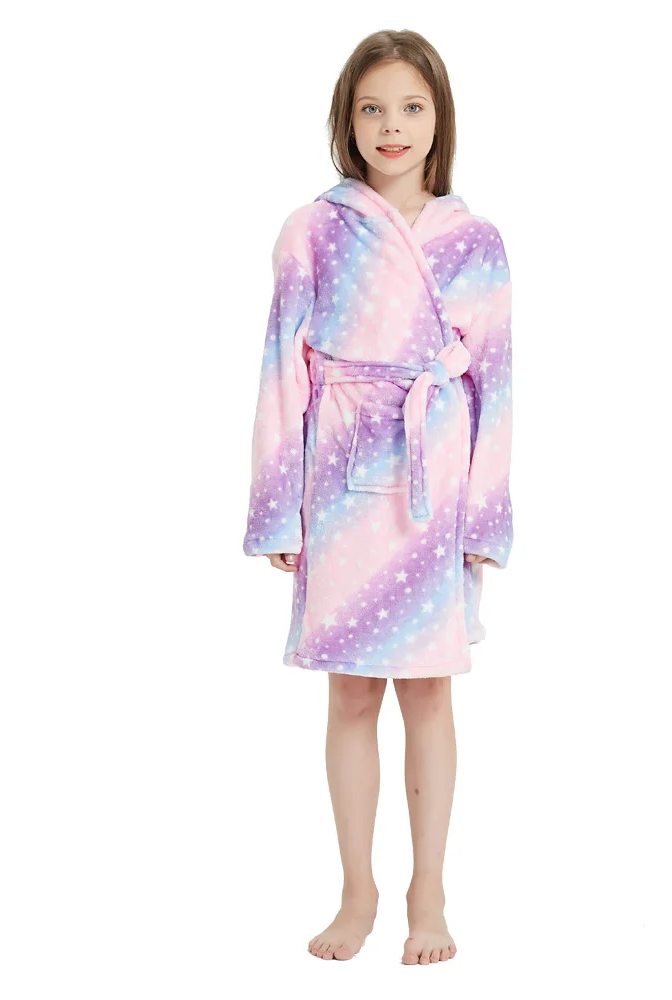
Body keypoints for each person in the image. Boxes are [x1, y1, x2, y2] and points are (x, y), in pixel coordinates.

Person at [242, 29, 514, 965]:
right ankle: (355, 890)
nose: (391, 126)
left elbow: (496, 386)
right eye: (371, 108)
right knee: (352, 691)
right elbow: (280, 370)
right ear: (345, 121)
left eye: (411, 107)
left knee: (429, 692)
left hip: (435, 480)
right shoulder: (311, 230)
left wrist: (486, 517)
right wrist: (278, 507)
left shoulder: (476, 241)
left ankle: (427, 891)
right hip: (340, 477)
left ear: (440, 119)